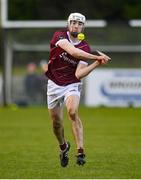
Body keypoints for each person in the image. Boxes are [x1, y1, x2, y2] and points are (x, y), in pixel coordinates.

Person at [45, 12, 111, 167]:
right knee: (56, 123)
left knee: (72, 112)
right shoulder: (59, 36)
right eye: (73, 22)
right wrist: (95, 57)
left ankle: (80, 151)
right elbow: (74, 52)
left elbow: (79, 74)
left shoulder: (85, 47)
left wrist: (97, 63)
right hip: (54, 83)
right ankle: (63, 147)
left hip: (71, 83)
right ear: (68, 24)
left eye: (79, 24)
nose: (76, 25)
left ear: (83, 27)